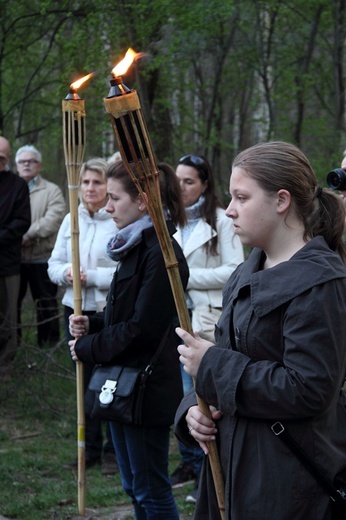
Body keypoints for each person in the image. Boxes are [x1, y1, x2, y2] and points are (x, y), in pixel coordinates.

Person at [174, 141, 346, 520]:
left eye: (241, 197)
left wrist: (212, 367)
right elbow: (223, 357)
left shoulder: (321, 282)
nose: (230, 209)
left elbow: (310, 389)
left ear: (281, 200)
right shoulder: (245, 272)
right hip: (232, 471)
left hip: (285, 484)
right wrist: (193, 412)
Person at [69, 160, 189, 519]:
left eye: (114, 199)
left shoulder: (163, 255)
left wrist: (88, 348)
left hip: (145, 388)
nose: (106, 208)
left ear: (141, 202)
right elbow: (126, 316)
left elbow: (143, 328)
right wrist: (92, 324)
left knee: (150, 489)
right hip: (122, 384)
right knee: (133, 486)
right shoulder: (136, 245)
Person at [171, 154, 244, 501]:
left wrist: (183, 279)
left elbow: (234, 269)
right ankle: (189, 464)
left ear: (204, 184)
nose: (182, 187)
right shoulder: (171, 219)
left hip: (206, 319)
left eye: (189, 181)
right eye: (178, 180)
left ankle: (207, 474)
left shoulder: (221, 219)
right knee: (181, 398)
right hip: (175, 316)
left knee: (200, 393)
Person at [48, 157, 118, 474]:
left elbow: (124, 272)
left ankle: (112, 451)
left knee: (109, 378)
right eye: (86, 182)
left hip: (106, 309)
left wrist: (93, 277)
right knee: (83, 379)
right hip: (74, 308)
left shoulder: (117, 219)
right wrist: (67, 273)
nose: (90, 188)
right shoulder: (71, 219)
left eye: (97, 182)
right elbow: (53, 264)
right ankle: (88, 448)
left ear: (108, 187)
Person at [16, 145, 66, 346]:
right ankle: (13, 344)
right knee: (12, 303)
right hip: (14, 258)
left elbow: (53, 218)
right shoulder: (9, 187)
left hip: (42, 257)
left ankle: (48, 344)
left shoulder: (52, 190)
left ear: (40, 165)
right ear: (16, 165)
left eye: (32, 161)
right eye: (22, 161)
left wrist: (28, 234)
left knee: (46, 302)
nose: (27, 164)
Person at [0, 137, 31, 364]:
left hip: (7, 263)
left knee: (7, 317)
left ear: (9, 158)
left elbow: (21, 222)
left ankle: (5, 364)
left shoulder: (18, 185)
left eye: (1, 158)